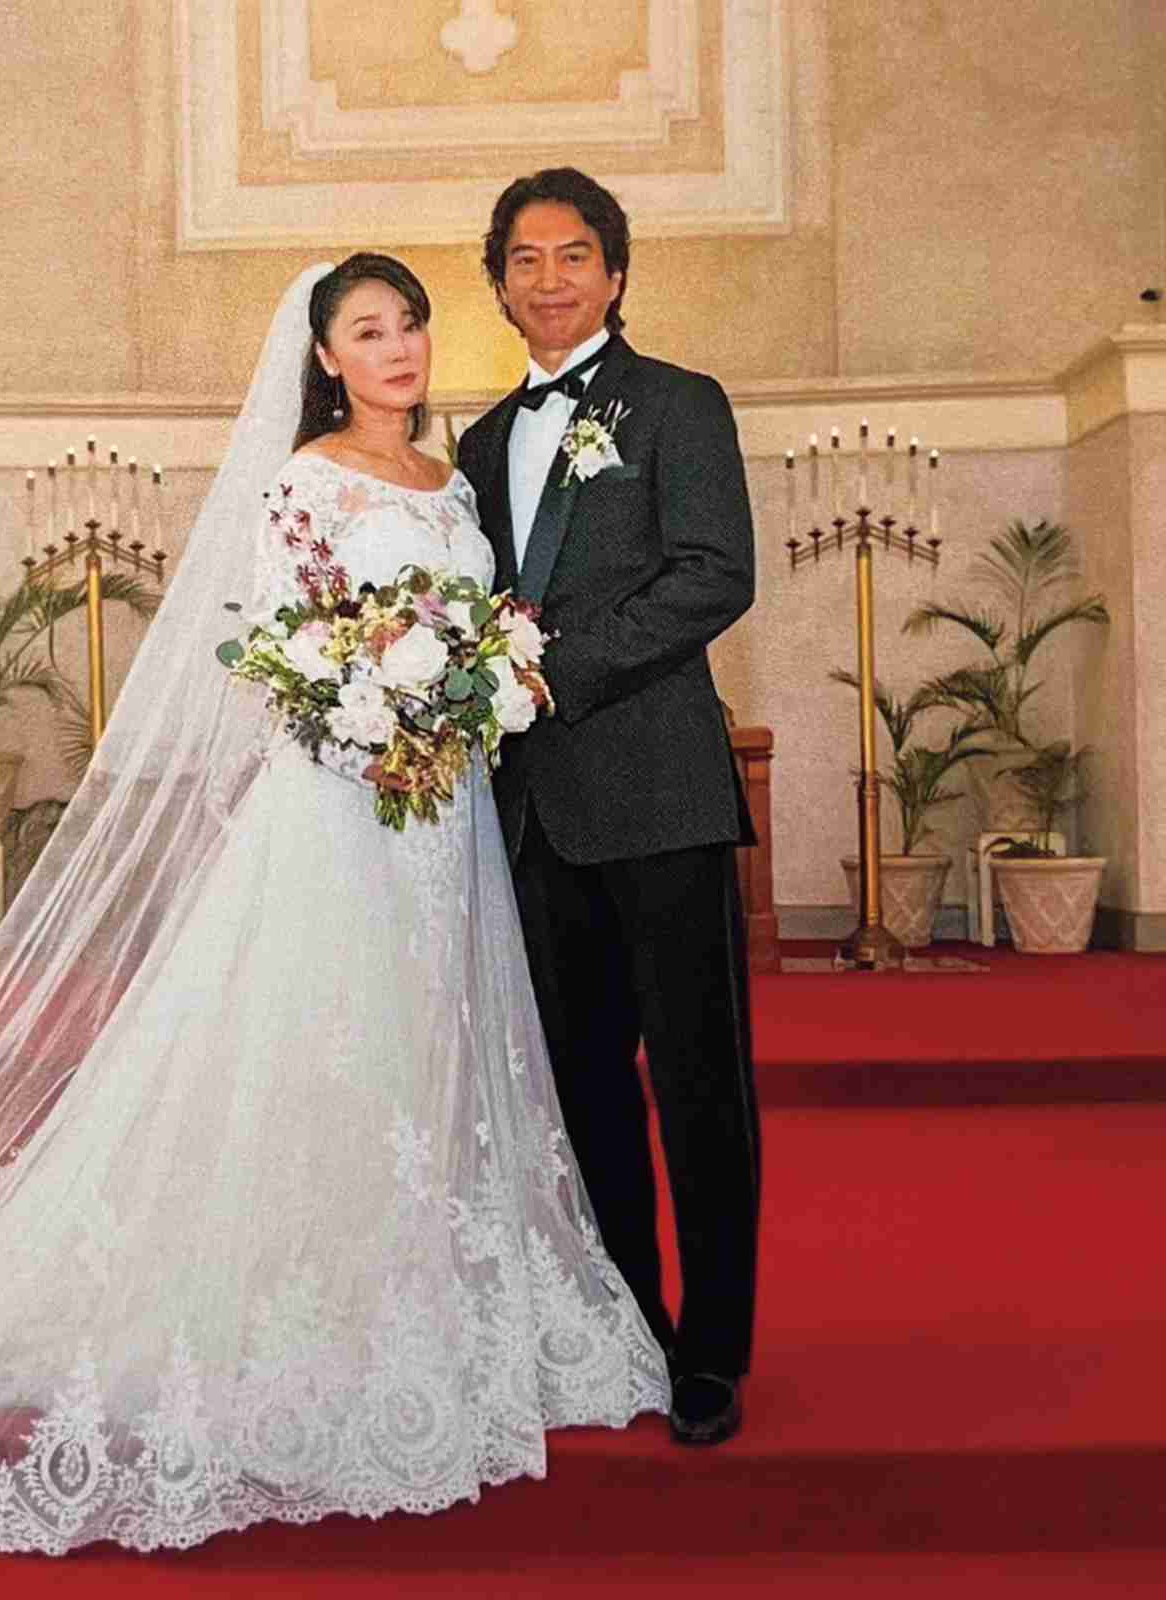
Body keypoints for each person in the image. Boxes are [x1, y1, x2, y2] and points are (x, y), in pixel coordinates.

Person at [0, 256, 667, 1558]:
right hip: (342, 808)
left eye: (410, 324)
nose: (398, 347)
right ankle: (309, 1298)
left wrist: (464, 689)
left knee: (440, 1039)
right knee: (331, 1037)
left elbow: (474, 627)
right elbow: (285, 649)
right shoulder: (306, 482)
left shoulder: (454, 482)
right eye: (368, 330)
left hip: (449, 816)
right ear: (325, 358)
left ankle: (438, 1282)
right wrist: (367, 711)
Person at [456, 170, 761, 1447]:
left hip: (661, 795)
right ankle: (631, 1323)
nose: (550, 279)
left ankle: (714, 1353)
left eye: (573, 255)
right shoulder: (477, 443)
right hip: (533, 817)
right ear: (499, 284)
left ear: (616, 273)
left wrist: (553, 671)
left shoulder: (679, 403)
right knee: (580, 1088)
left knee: (698, 1084)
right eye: (524, 260)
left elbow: (714, 575)